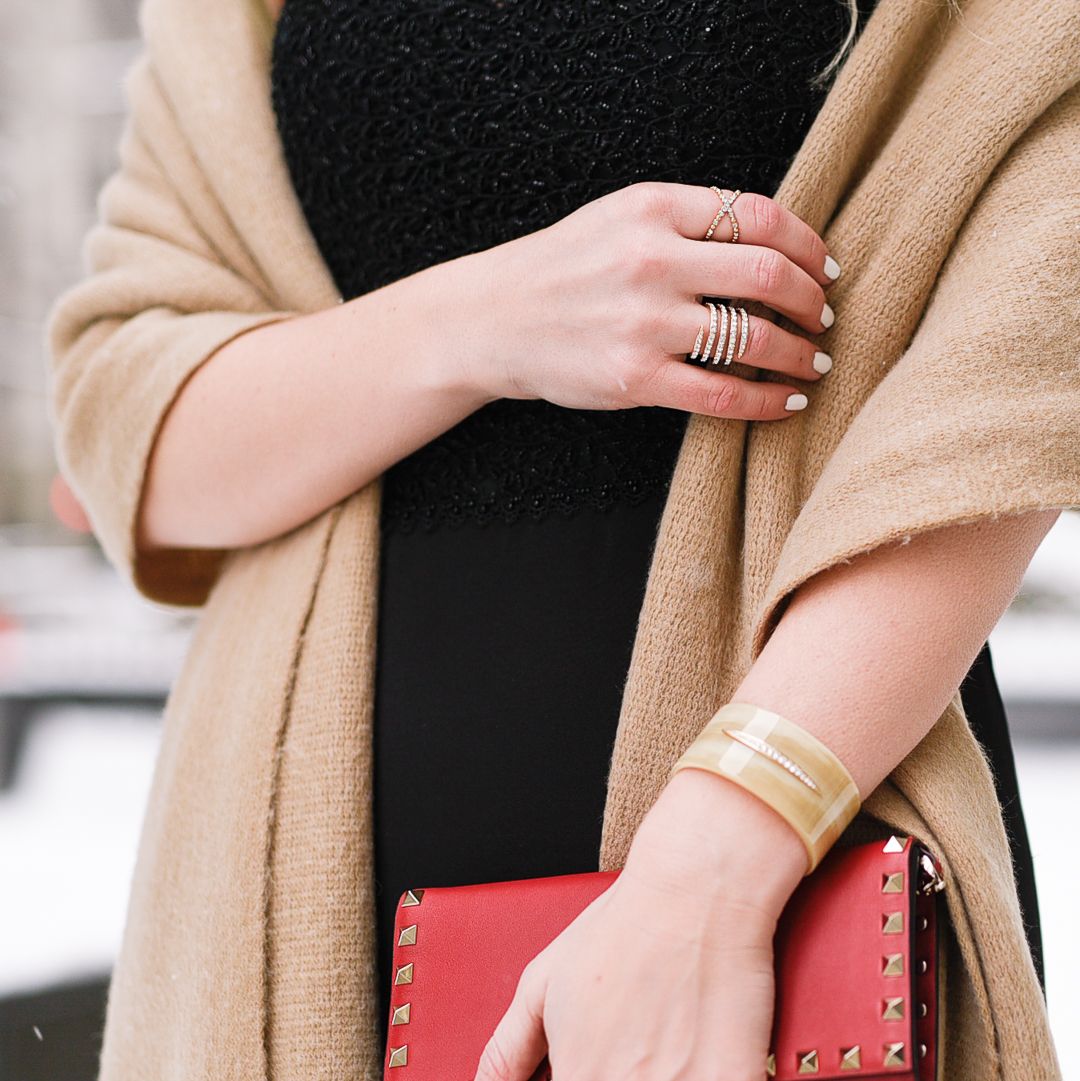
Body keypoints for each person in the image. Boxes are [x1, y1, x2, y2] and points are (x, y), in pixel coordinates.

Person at [48, 0, 1077, 1077]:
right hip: (286, 899)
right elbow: (131, 426)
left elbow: (1017, 357)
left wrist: (718, 864)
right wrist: (494, 319)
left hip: (788, 874)